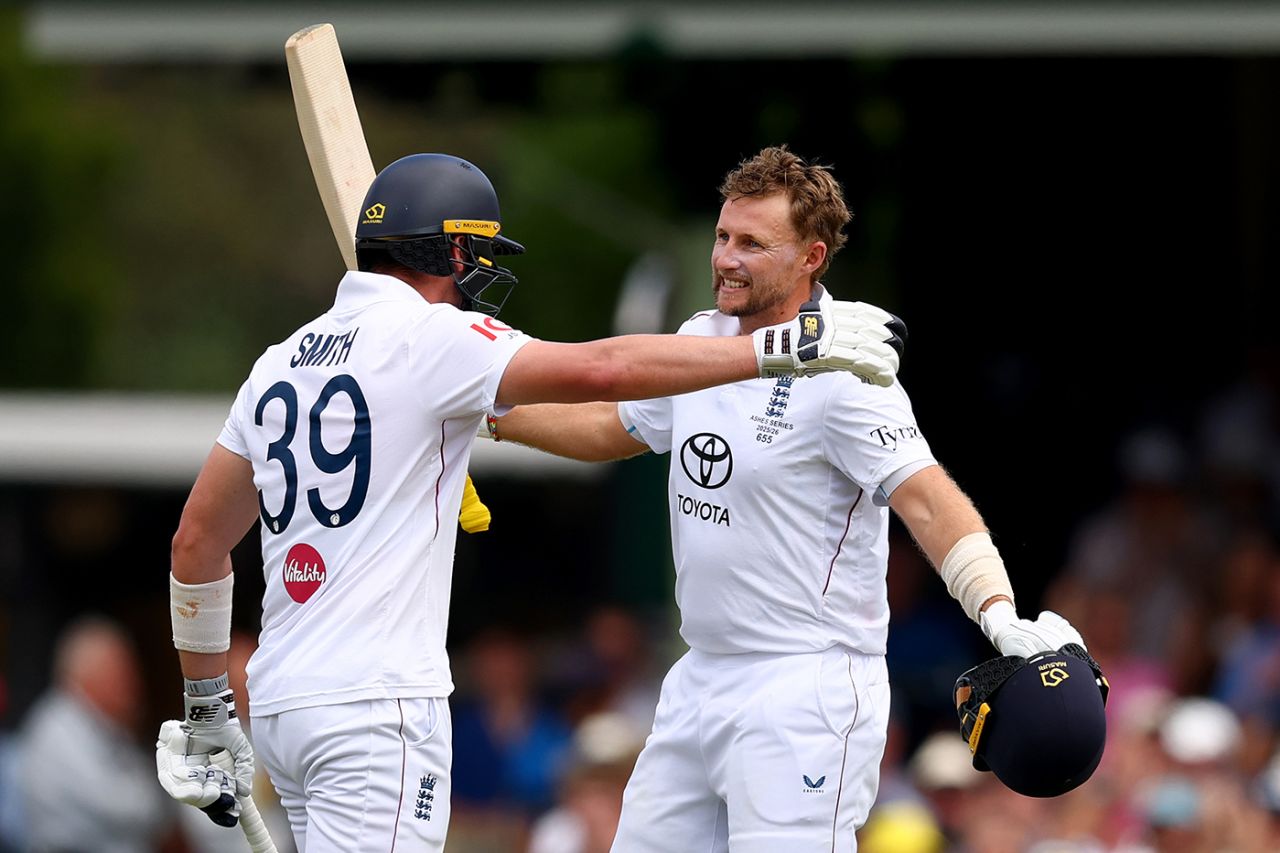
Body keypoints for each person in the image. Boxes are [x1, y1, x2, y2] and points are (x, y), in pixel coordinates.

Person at [153, 151, 906, 853]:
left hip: (282, 701)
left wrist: (208, 703)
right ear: (451, 253)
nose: (481, 274)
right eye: (476, 256)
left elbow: (196, 544)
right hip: (375, 710)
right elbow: (606, 369)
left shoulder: (277, 364)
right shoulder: (437, 339)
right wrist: (783, 349)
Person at [485, 145, 1088, 851]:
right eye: (722, 236)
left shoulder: (849, 371)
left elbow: (926, 498)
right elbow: (609, 426)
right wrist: (488, 413)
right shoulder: (698, 339)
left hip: (807, 689)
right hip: (699, 674)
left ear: (811, 257)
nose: (726, 258)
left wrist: (997, 610)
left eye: (752, 243)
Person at [19, 616, 177, 853]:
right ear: (90, 672)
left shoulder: (105, 726)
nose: (134, 682)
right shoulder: (58, 725)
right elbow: (126, 806)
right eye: (122, 670)